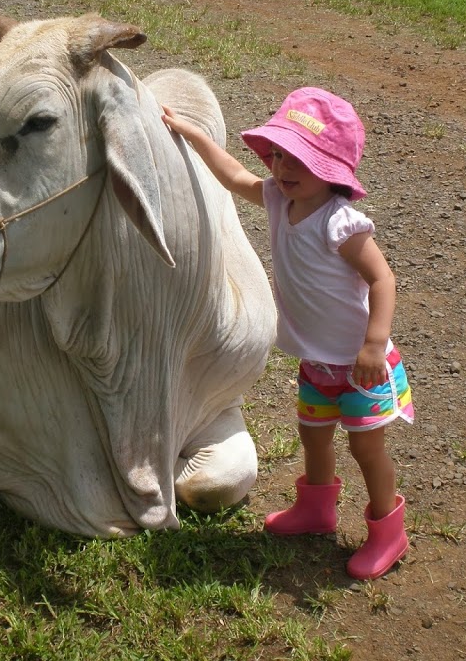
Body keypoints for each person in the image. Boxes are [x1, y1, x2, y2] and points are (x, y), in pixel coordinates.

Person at [161, 87, 414, 580]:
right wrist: (191, 133)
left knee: (367, 449)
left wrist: (373, 344)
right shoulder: (279, 199)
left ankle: (388, 532)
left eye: (300, 159)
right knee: (313, 436)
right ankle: (317, 511)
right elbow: (234, 175)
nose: (282, 168)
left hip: (362, 367)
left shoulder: (341, 222)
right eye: (278, 154)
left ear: (334, 167)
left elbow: (383, 279)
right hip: (318, 364)